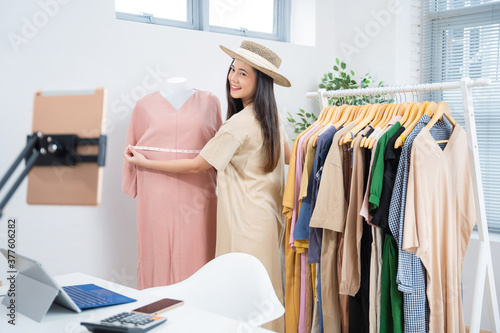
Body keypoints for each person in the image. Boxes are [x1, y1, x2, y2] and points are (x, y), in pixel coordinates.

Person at [124, 40, 291, 332]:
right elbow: (292, 157)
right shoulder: (272, 118)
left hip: (243, 222)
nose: (233, 79)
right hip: (269, 218)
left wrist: (145, 162)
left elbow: (198, 165)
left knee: (239, 292)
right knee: (266, 291)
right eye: (233, 70)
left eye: (243, 74)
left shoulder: (239, 123)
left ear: (260, 82)